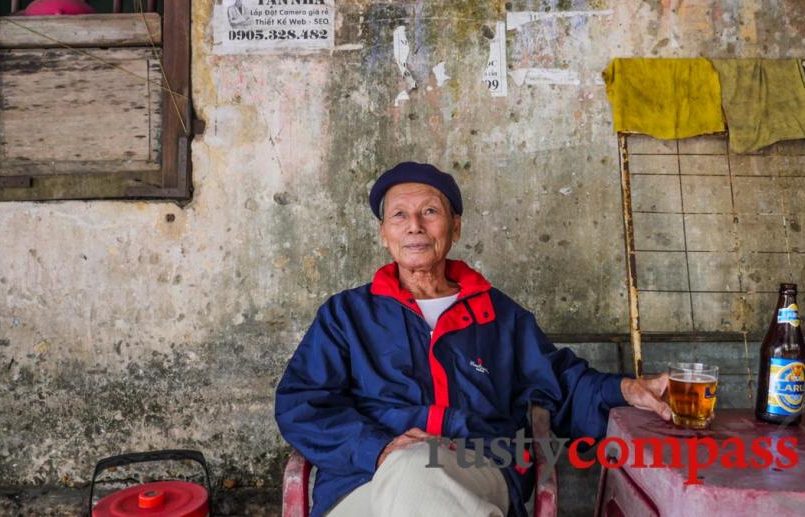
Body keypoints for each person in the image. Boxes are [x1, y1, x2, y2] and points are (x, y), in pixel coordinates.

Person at [275, 162, 671, 517]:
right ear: (384, 234)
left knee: (417, 469)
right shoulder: (346, 315)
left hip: (478, 466)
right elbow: (301, 403)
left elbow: (562, 384)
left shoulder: (499, 316)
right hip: (361, 476)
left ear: (456, 227)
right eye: (399, 215)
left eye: (429, 211)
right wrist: (375, 448)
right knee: (411, 468)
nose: (414, 225)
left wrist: (627, 388)